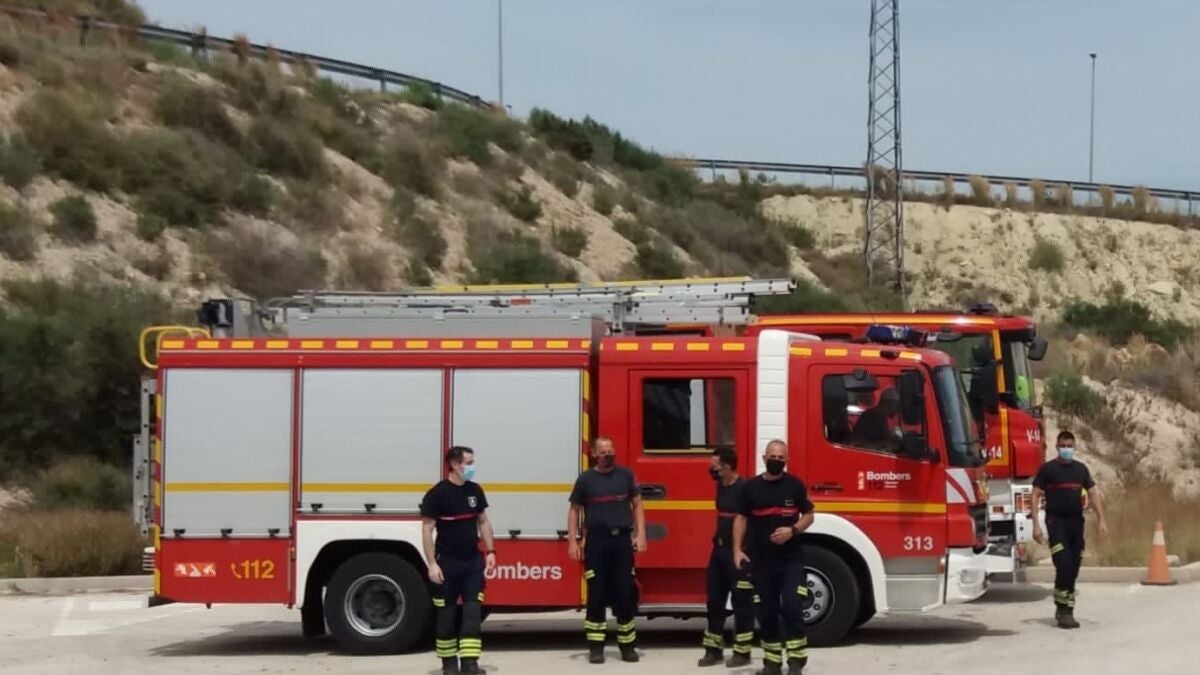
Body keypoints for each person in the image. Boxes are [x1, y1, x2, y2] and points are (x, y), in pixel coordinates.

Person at [733, 439, 815, 675]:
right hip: (761, 562)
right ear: (764, 458)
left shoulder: (794, 486)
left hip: (790, 560)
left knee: (792, 606)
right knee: (766, 612)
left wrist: (793, 530)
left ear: (787, 460)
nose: (776, 461)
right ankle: (772, 664)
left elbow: (809, 515)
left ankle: (796, 661)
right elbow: (741, 518)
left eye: (780, 458)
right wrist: (737, 550)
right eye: (772, 457)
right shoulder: (750, 488)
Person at [567, 437, 647, 665]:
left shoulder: (626, 475)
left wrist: (641, 534)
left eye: (611, 450)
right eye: (603, 452)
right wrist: (572, 541)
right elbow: (574, 510)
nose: (608, 454)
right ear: (594, 454)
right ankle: (596, 647)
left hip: (621, 541)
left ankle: (627, 646)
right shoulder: (585, 480)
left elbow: (638, 504)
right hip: (597, 542)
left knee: (625, 593)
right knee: (597, 594)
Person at [421, 446, 497, 675]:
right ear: (455, 465)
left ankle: (470, 663)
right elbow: (427, 529)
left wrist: (491, 551)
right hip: (448, 563)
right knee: (447, 614)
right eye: (469, 463)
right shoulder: (437, 494)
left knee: (472, 612)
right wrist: (432, 564)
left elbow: (483, 521)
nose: (473, 467)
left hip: (472, 562)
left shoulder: (475, 490)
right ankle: (449, 664)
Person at [1032, 430, 1109, 629]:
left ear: (1074, 448)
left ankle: (1068, 608)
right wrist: (1036, 525)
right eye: (1063, 446)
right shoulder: (1048, 469)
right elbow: (1035, 494)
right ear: (1057, 447)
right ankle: (1063, 610)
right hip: (1056, 522)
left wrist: (1101, 520)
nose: (1066, 449)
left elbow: (1093, 493)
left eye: (1069, 446)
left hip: (1076, 523)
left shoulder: (1081, 470)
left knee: (1073, 567)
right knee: (1064, 563)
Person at [698, 446, 755, 668]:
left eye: (716, 466)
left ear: (728, 467)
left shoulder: (745, 488)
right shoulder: (720, 485)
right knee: (714, 602)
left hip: (738, 553)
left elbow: (749, 522)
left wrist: (745, 550)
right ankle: (713, 650)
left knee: (742, 603)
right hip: (719, 551)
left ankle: (742, 652)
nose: (712, 470)